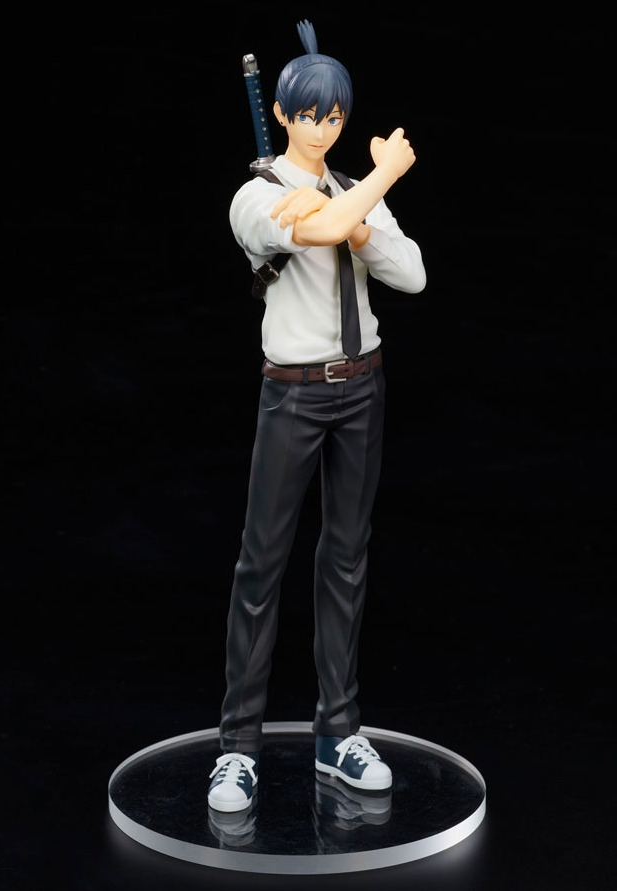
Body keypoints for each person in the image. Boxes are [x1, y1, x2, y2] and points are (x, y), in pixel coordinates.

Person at [208, 19, 427, 813]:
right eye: (307, 115)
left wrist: (361, 212)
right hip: (294, 393)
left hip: (361, 386)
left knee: (345, 559)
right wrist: (383, 177)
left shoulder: (346, 191)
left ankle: (339, 731)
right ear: (280, 112)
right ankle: (237, 746)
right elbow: (322, 227)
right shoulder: (256, 195)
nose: (322, 128)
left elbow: (411, 274)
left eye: (333, 116)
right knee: (261, 564)